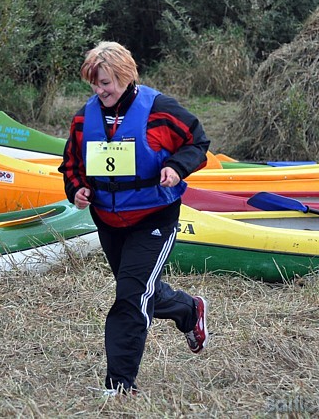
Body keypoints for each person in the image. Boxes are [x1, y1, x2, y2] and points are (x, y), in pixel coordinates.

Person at [58, 41, 210, 395]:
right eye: (94, 83)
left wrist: (175, 167)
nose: (100, 91)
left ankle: (120, 385)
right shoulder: (85, 117)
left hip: (153, 217)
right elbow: (71, 165)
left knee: (129, 295)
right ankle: (189, 310)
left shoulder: (160, 110)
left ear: (125, 77)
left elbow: (197, 142)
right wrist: (77, 189)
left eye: (106, 83)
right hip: (109, 222)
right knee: (143, 291)